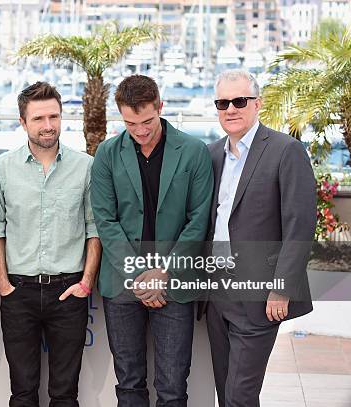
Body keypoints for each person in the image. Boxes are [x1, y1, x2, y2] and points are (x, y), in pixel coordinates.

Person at [90, 74, 213, 406]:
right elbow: (106, 219)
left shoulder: (193, 151)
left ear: (160, 106)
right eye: (131, 123)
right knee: (129, 383)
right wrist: (139, 277)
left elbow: (197, 220)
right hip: (122, 283)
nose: (140, 130)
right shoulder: (106, 154)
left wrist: (163, 275)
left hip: (175, 282)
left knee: (173, 387)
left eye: (147, 120)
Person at [201, 69, 315, 407]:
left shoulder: (285, 150)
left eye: (239, 101)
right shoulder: (211, 154)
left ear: (257, 104)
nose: (230, 109)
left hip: (259, 296)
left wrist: (281, 287)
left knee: (240, 394)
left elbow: (299, 225)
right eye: (222, 103)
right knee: (225, 392)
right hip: (215, 293)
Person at [0, 82, 101, 407]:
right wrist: (3, 284)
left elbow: (94, 230)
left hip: (68, 293)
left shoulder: (86, 167)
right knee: (22, 393)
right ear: (23, 122)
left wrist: (86, 283)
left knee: (65, 394)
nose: (48, 125)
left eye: (54, 116)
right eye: (38, 118)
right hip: (18, 293)